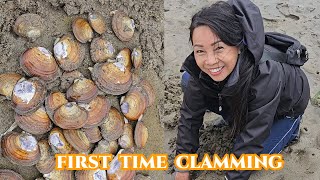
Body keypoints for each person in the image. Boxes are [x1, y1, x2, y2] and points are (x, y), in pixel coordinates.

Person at [175, 0, 310, 179]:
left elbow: (253, 138)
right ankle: (235, 116)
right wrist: (182, 167)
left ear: (238, 45)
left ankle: (292, 128)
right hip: (242, 94)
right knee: (188, 79)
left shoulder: (266, 73)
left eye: (219, 48)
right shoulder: (201, 67)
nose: (210, 60)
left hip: (285, 108)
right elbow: (189, 118)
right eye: (200, 51)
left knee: (257, 157)